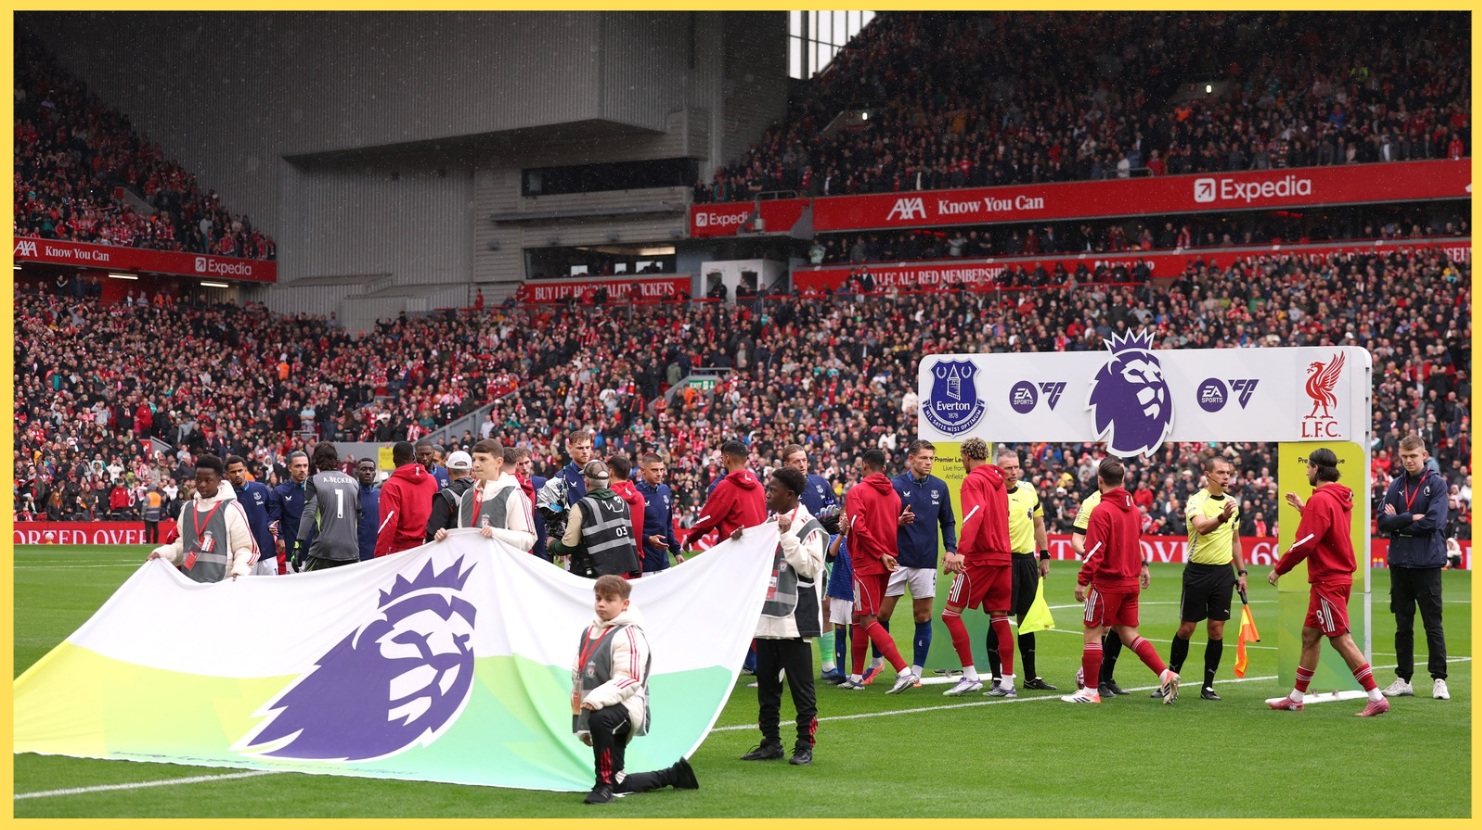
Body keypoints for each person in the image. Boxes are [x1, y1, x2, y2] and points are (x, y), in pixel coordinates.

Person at [1266, 448, 1390, 716]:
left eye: (1308, 467)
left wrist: (1279, 570)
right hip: (1335, 577)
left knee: (1339, 638)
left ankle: (1376, 696)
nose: (1306, 470)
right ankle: (1297, 697)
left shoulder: (1321, 500)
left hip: (1328, 580)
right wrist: (1304, 509)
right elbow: (1326, 529)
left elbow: (1305, 543)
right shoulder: (1336, 497)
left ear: (1317, 469)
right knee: (1310, 635)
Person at [571, 574, 698, 804]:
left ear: (625, 604)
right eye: (598, 598)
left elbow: (629, 680)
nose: (601, 604)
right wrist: (583, 725)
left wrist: (595, 704)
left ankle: (602, 787)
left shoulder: (629, 634)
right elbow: (579, 678)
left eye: (609, 599)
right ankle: (674, 775)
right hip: (599, 708)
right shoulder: (588, 632)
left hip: (627, 708)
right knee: (619, 781)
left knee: (601, 720)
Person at [1062, 457, 1179, 704]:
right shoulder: (1134, 511)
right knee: (1128, 634)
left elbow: (1094, 551)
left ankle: (1090, 691)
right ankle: (1164, 673)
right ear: (1123, 479)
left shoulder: (1101, 510)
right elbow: (1135, 544)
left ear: (1100, 480)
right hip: (1130, 582)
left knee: (1092, 632)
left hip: (1107, 584)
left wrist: (1082, 580)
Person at [735, 468, 827, 765]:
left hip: (795, 618)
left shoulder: (811, 526)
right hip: (767, 615)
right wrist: (742, 541)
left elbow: (810, 568)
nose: (767, 493)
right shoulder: (768, 523)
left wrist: (788, 535)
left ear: (790, 494)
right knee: (767, 685)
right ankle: (770, 742)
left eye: (773, 489)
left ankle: (804, 745)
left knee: (801, 686)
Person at [1158, 456, 1248, 701]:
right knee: (1186, 629)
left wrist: (1241, 573)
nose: (1226, 476)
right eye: (1221, 472)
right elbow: (1201, 527)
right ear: (1208, 475)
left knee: (1216, 630)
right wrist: (1221, 517)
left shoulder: (1232, 503)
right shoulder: (1196, 500)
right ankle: (1170, 679)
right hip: (1197, 571)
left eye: (1228, 472)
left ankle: (1208, 685)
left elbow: (1235, 540)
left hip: (1222, 573)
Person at [876, 440, 956, 685]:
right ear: (911, 459)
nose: (928, 462)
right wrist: (897, 521)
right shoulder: (894, 485)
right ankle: (877, 663)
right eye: (923, 458)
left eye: (931, 458)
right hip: (896, 559)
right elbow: (882, 519)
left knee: (922, 616)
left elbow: (948, 522)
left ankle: (917, 672)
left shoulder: (940, 487)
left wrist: (951, 549)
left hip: (925, 561)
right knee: (880, 615)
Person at [1376, 436, 1450, 700]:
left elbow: (1433, 522)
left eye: (1413, 456)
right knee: (1402, 624)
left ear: (1424, 455)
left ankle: (1439, 679)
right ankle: (1403, 678)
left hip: (1427, 563)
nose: (1408, 461)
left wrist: (1399, 521)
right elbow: (1382, 521)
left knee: (1432, 623)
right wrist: (1408, 517)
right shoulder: (1396, 485)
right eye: (1404, 457)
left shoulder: (1436, 484)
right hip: (1400, 563)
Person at [838, 448, 916, 693]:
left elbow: (859, 528)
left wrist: (878, 552)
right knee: (858, 617)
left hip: (867, 561)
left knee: (866, 618)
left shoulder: (857, 493)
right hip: (886, 563)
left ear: (864, 466)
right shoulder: (893, 494)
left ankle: (903, 671)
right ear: (883, 468)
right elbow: (885, 525)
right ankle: (856, 676)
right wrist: (885, 553)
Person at [940, 438, 1013, 696]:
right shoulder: (999, 482)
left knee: (950, 614)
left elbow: (975, 514)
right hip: (1004, 557)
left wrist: (961, 552)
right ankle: (1007, 682)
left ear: (966, 456)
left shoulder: (973, 480)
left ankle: (970, 676)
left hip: (981, 558)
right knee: (1000, 619)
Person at [992, 447, 1056, 692]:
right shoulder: (992, 491)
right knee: (998, 618)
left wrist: (1045, 554)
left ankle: (1030, 677)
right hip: (1002, 561)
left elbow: (1038, 523)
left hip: (1027, 561)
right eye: (1008, 468)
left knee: (1026, 620)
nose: (1013, 472)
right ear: (998, 468)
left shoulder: (1029, 489)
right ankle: (998, 678)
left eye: (1016, 466)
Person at [147, 454, 256, 582]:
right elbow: (182, 545)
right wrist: (161, 554)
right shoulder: (187, 509)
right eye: (198, 480)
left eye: (208, 480)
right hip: (191, 583)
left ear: (218, 480)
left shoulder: (232, 509)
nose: (202, 485)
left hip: (222, 584)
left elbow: (244, 547)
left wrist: (239, 571)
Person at [783, 443, 840, 680]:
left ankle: (828, 665)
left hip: (821, 554)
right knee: (787, 610)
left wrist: (831, 518)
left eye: (804, 460)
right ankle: (782, 668)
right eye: (796, 461)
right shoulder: (779, 486)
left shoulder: (819, 483)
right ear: (786, 464)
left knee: (826, 606)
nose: (802, 464)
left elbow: (835, 510)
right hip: (790, 557)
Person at [1071, 474, 1126, 698]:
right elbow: (1077, 537)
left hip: (1122, 571)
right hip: (1103, 572)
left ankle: (1107, 676)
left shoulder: (1125, 501)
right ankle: (1096, 678)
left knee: (1118, 625)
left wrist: (1142, 564)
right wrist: (1091, 555)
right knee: (1102, 626)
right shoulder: (1093, 503)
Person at [434, 439, 536, 552]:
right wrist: (447, 538)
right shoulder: (467, 495)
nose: (476, 465)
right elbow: (465, 538)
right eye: (474, 460)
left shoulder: (513, 493)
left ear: (499, 462)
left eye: (482, 459)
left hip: (501, 567)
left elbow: (528, 539)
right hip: (473, 566)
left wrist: (496, 533)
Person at [549, 460, 641, 578]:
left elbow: (568, 546)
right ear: (608, 481)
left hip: (589, 574)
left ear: (586, 482)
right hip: (617, 574)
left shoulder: (580, 507)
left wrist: (551, 543)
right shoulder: (622, 503)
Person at [682, 441, 767, 549]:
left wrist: (691, 537)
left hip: (736, 546)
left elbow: (708, 518)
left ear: (726, 459)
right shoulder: (759, 486)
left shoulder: (725, 486)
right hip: (759, 547)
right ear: (745, 460)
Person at [295, 442, 361, 571]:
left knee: (310, 587)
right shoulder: (353, 482)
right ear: (336, 459)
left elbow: (309, 513)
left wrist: (298, 545)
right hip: (350, 549)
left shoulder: (313, 481)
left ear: (316, 461)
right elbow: (358, 516)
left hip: (324, 549)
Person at [374, 441, 439, 558]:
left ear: (394, 460)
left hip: (401, 552)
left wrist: (379, 556)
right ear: (414, 457)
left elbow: (389, 523)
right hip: (427, 548)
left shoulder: (391, 485)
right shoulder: (431, 480)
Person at [225, 455, 277, 576]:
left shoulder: (261, 488)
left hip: (267, 553)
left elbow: (274, 511)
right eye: (233, 472)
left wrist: (276, 530)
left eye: (240, 470)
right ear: (227, 474)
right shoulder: (226, 497)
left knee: (271, 591)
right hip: (243, 559)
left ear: (245, 470)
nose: (237, 474)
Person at [635, 453, 684, 576]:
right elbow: (631, 529)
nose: (659, 473)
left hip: (664, 562)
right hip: (644, 564)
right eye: (654, 470)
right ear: (643, 471)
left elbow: (667, 525)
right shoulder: (635, 493)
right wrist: (648, 539)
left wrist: (676, 551)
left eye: (661, 470)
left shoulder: (665, 490)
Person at [268, 450, 310, 574]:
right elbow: (274, 518)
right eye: (298, 466)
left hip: (315, 551)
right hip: (292, 549)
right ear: (290, 468)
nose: (302, 469)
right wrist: (280, 537)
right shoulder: (280, 492)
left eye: (305, 466)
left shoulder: (316, 489)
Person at [425, 450, 476, 541]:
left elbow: (432, 533)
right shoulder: (482, 492)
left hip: (452, 551)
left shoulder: (444, 497)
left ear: (448, 470)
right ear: (471, 470)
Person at [607, 454, 645, 571]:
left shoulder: (605, 498)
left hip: (613, 563)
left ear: (610, 472)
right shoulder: (639, 497)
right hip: (635, 562)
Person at [514, 447, 552, 561]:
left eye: (526, 462)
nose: (524, 468)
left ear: (531, 462)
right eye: (520, 464)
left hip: (541, 536)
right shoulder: (510, 485)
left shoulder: (542, 482)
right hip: (520, 537)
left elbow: (553, 513)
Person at [557, 430, 596, 508]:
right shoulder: (561, 477)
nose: (585, 451)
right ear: (570, 448)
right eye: (580, 448)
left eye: (587, 447)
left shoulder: (599, 473)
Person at [355, 458, 381, 562]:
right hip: (357, 554)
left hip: (377, 554)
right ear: (357, 473)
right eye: (364, 469)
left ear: (375, 473)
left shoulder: (381, 495)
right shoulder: (351, 494)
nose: (367, 472)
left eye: (371, 470)